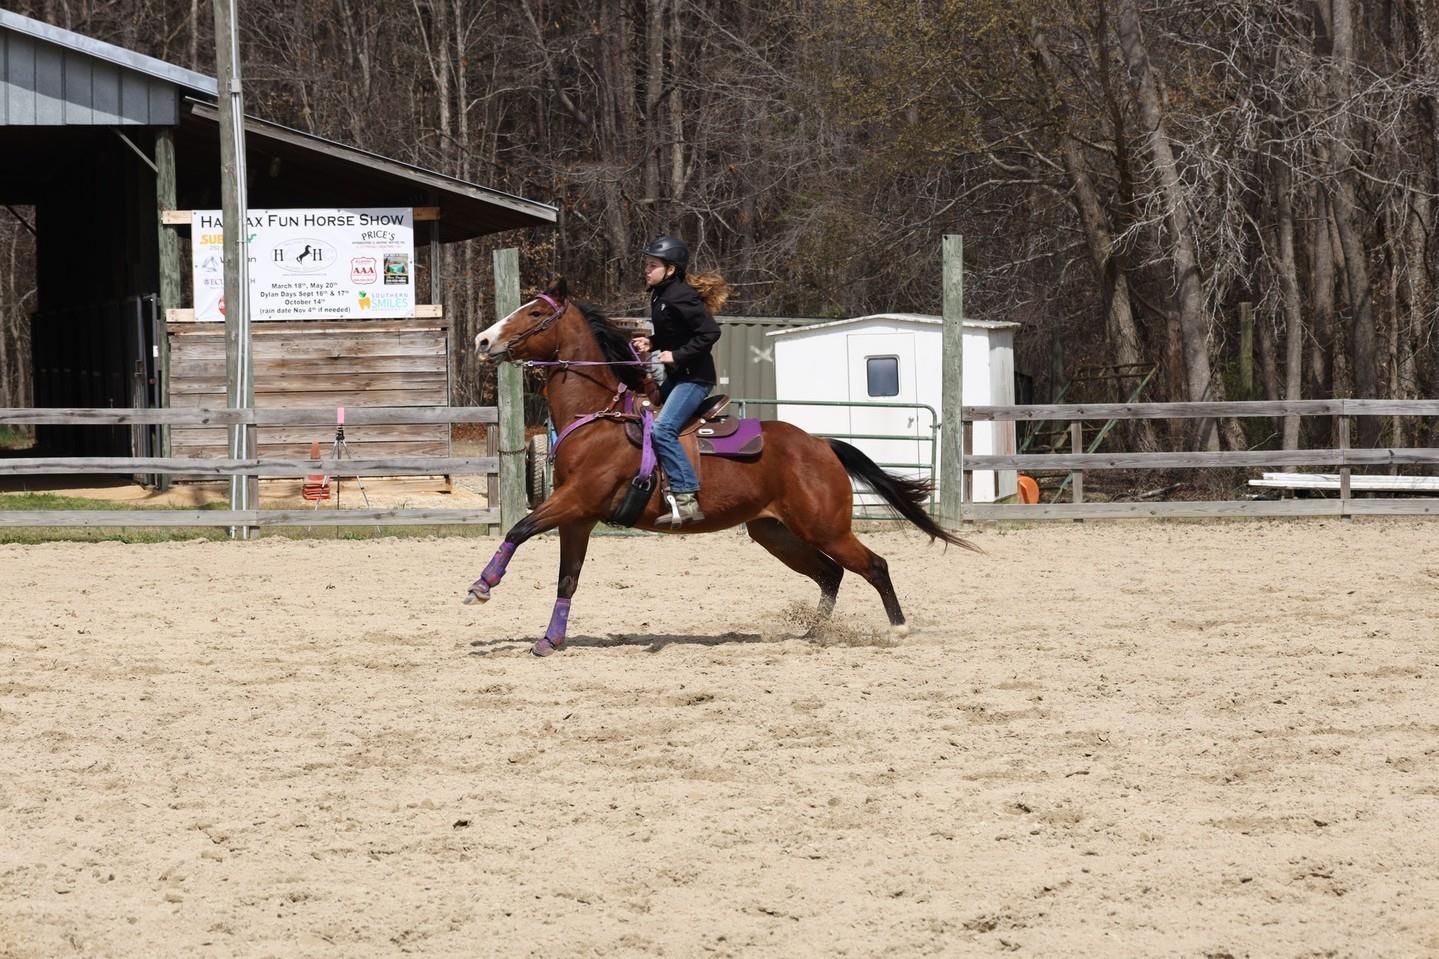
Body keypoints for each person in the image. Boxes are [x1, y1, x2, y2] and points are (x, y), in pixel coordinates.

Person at [630, 234, 727, 527]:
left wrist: (677, 355)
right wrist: (652, 342)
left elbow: (710, 333)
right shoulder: (660, 294)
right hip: (678, 377)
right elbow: (677, 332)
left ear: (670, 269)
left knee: (662, 431)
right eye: (646, 264)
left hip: (694, 379)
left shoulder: (680, 294)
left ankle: (686, 499)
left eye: (652, 265)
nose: (646, 270)